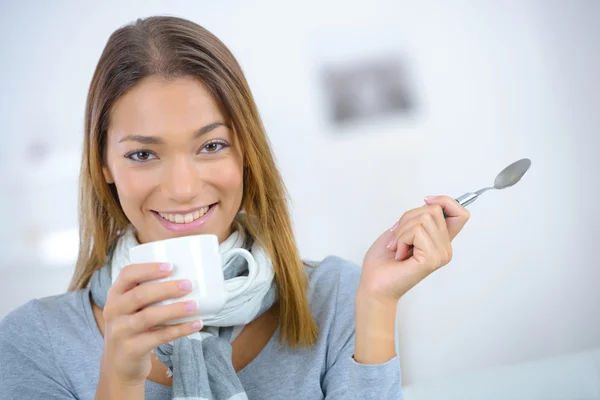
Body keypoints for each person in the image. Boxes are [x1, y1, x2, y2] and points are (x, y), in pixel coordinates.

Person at [0, 16, 469, 400]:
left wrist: (376, 303)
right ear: (103, 164)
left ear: (246, 150)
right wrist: (119, 382)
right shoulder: (32, 343)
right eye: (143, 154)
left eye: (211, 146)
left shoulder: (339, 297)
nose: (183, 189)